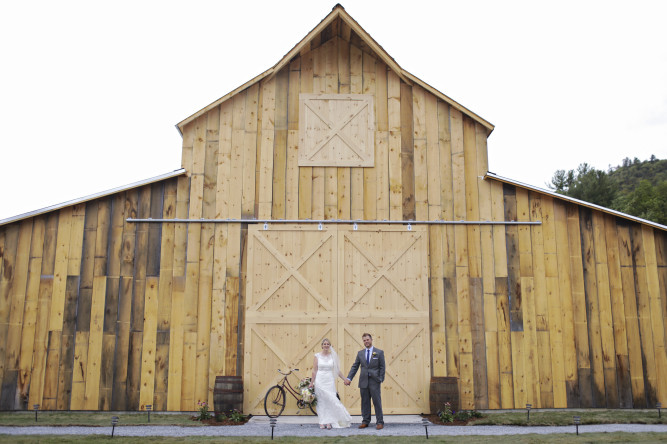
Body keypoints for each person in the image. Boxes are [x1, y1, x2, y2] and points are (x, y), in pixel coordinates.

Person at [344, 333, 385, 429]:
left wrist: (380, 379)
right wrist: (349, 378)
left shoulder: (379, 352)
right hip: (363, 381)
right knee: (365, 402)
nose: (366, 342)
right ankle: (365, 421)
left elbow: (382, 367)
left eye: (367, 340)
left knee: (377, 402)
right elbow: (355, 367)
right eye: (364, 340)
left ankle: (380, 422)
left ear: (371, 340)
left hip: (375, 381)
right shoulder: (360, 353)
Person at [309, 338, 352, 429]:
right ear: (322, 345)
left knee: (331, 400)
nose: (326, 345)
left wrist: (345, 379)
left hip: (329, 381)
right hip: (320, 380)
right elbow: (314, 370)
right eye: (324, 344)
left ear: (329, 346)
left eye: (328, 344)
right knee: (321, 401)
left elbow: (337, 370)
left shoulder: (332, 356)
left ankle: (329, 421)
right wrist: (312, 383)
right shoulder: (317, 356)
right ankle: (322, 421)